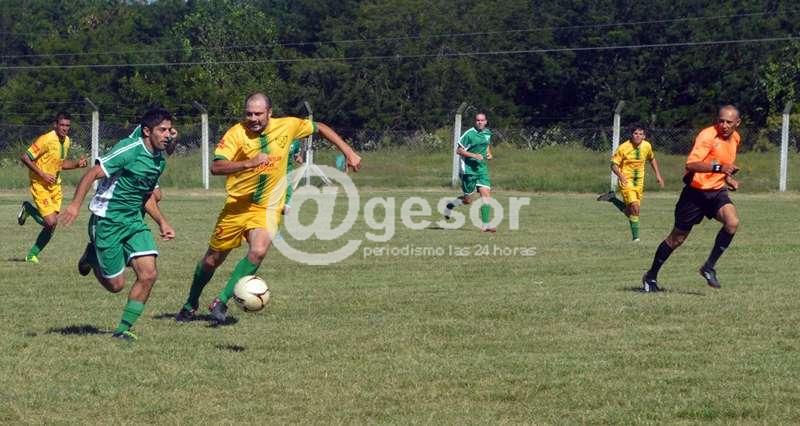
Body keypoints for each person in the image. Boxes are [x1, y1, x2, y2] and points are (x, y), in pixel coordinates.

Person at [175, 92, 361, 324]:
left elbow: (319, 127)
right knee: (212, 260)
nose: (253, 118)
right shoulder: (236, 133)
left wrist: (348, 151)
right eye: (249, 114)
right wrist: (248, 163)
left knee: (259, 251)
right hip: (237, 207)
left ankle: (221, 302)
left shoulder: (287, 126)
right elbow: (216, 167)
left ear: (269, 113)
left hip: (267, 207)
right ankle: (190, 303)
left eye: (258, 114)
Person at [60, 108, 177, 341]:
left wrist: (162, 222)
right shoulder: (129, 150)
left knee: (149, 274)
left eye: (169, 130)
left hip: (133, 221)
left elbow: (145, 196)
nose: (168, 135)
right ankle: (91, 257)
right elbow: (91, 174)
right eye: (162, 130)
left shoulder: (158, 162)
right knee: (116, 285)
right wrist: (74, 205)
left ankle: (122, 330)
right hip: (108, 221)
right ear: (147, 131)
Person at [642, 105, 742, 292]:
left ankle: (708, 267)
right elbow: (691, 164)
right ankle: (651, 276)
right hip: (694, 194)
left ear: (737, 123)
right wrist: (720, 168)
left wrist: (728, 178)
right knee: (676, 239)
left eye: (729, 122)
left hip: (716, 192)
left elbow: (725, 163)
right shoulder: (707, 136)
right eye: (721, 121)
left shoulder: (735, 138)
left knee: (732, 222)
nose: (724, 125)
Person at [17, 112, 88, 263]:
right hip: (40, 184)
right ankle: (28, 208)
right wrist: (42, 174)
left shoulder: (66, 141)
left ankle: (31, 255)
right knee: (50, 222)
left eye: (67, 126)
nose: (65, 128)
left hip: (55, 186)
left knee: (52, 225)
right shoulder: (46, 139)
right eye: (62, 125)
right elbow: (25, 157)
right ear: (55, 125)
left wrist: (77, 164)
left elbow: (60, 164)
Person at [597, 125, 664, 241]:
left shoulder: (647, 146)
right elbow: (613, 165)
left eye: (640, 134)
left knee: (631, 211)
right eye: (635, 133)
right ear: (631, 135)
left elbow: (652, 158)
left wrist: (658, 175)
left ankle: (613, 199)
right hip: (626, 182)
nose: (638, 136)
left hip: (639, 183)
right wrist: (621, 176)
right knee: (635, 208)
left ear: (644, 136)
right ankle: (636, 239)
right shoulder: (623, 148)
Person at [443, 112, 496, 232]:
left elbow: (486, 145)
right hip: (468, 170)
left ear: (486, 121)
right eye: (478, 120)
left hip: (482, 169)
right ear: (475, 121)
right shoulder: (469, 134)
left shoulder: (487, 133)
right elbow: (459, 150)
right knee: (468, 200)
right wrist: (474, 155)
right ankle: (451, 204)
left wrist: (489, 153)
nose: (480, 122)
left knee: (486, 195)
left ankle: (486, 225)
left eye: (482, 120)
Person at [282, 139, 303, 215]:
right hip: (274, 170)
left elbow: (296, 154)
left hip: (287, 170)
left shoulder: (296, 141)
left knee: (288, 187)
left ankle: (286, 204)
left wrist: (298, 157)